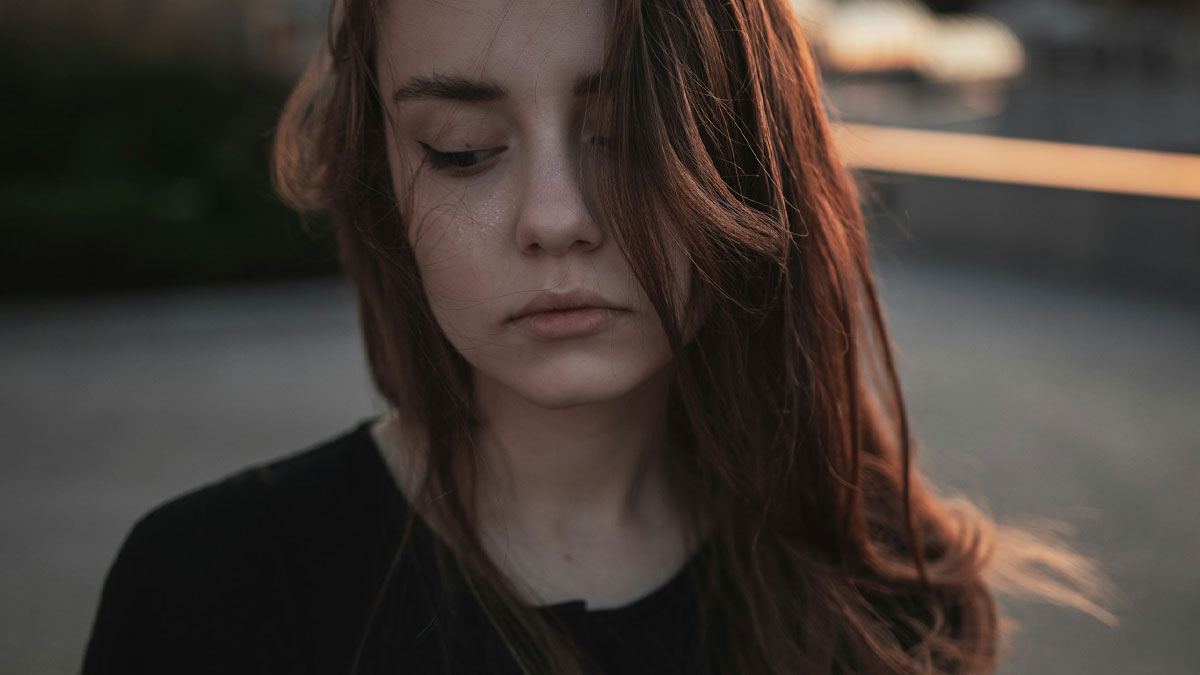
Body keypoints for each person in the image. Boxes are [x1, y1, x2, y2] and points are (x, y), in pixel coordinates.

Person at [82, 0, 1111, 673]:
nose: (555, 217)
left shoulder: (892, 609)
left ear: (745, 157)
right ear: (382, 182)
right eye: (463, 151)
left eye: (624, 134)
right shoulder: (207, 595)